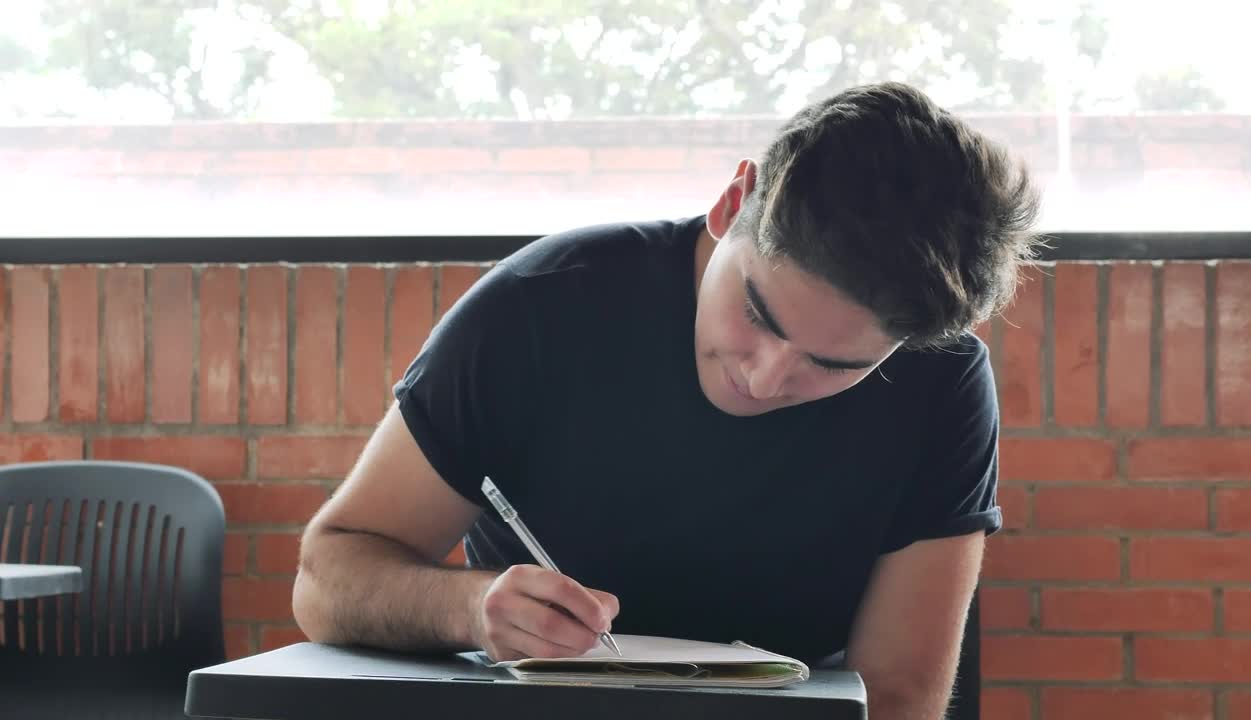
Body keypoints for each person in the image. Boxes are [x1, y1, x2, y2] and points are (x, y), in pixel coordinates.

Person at [292, 81, 1042, 720]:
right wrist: (470, 608)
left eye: (832, 365)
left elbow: (900, 694)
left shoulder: (939, 382)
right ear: (731, 202)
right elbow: (327, 578)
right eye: (757, 314)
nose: (768, 377)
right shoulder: (542, 308)